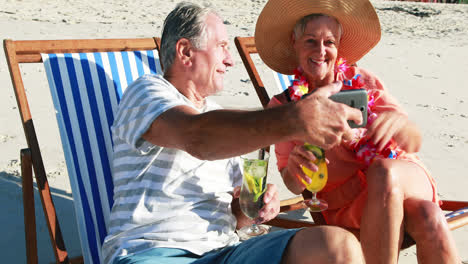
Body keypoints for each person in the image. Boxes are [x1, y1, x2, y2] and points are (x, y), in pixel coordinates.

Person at [101, 2, 367, 264]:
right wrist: (295, 118)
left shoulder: (220, 120)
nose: (229, 61)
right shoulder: (147, 93)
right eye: (222, 47)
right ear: (185, 51)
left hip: (225, 251)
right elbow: (198, 138)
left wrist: (254, 206)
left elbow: (234, 217)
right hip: (155, 251)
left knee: (338, 246)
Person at [255, 0, 460, 263]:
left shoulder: (361, 81)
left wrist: (400, 124)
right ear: (294, 43)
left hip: (404, 177)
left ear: (338, 48)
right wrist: (295, 168)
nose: (321, 50)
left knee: (384, 171)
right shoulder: (284, 106)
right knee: (429, 217)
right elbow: (292, 183)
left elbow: (413, 141)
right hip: (349, 204)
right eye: (310, 40)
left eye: (329, 42)